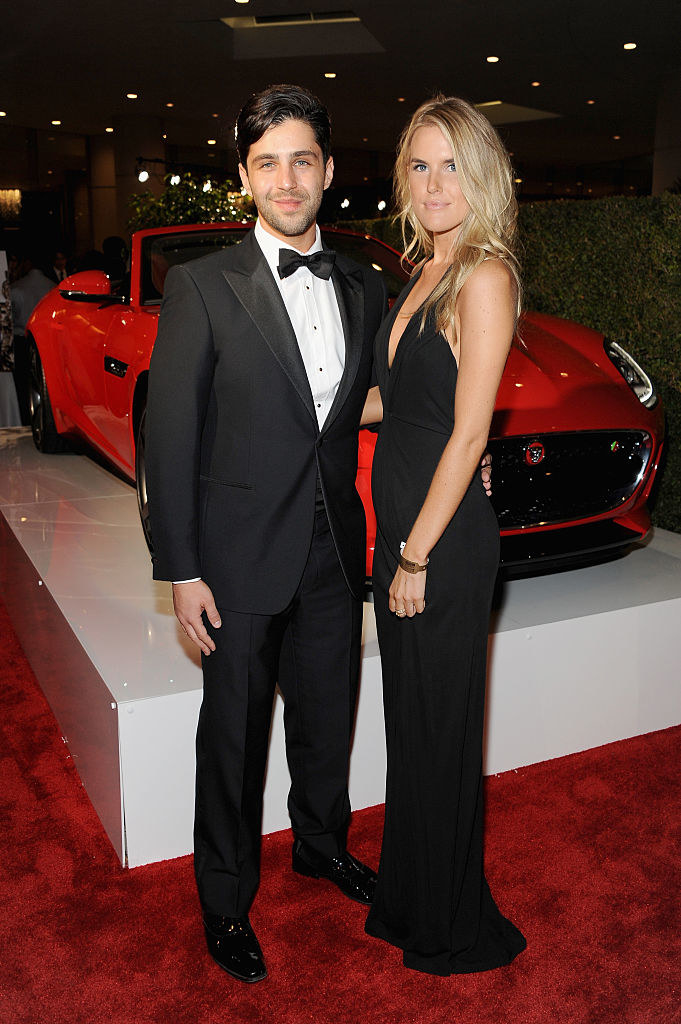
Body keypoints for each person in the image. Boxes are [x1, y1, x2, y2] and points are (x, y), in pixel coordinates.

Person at [144, 84, 387, 984]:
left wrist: (457, 442)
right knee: (233, 738)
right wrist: (181, 567)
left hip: (334, 544)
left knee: (328, 718)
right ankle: (223, 901)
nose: (287, 180)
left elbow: (366, 400)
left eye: (303, 160)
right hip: (237, 555)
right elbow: (167, 437)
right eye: (267, 163)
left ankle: (320, 844)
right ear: (245, 177)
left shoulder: (364, 283)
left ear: (327, 170)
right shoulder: (204, 285)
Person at [362, 96, 527, 975]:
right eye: (419, 165)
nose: (432, 182)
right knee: (412, 727)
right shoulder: (425, 268)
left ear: (481, 174)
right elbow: (408, 400)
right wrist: (328, 407)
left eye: (450, 164)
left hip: (441, 544)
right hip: (406, 529)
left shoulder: (484, 274)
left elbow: (468, 434)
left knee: (441, 731)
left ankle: (452, 923)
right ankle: (412, 901)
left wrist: (414, 553)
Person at [10, 253, 54, 424]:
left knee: (23, 382)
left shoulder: (16, 288)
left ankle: (26, 417)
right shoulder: (52, 287)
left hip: (22, 340)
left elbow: (12, 318)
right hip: (46, 340)